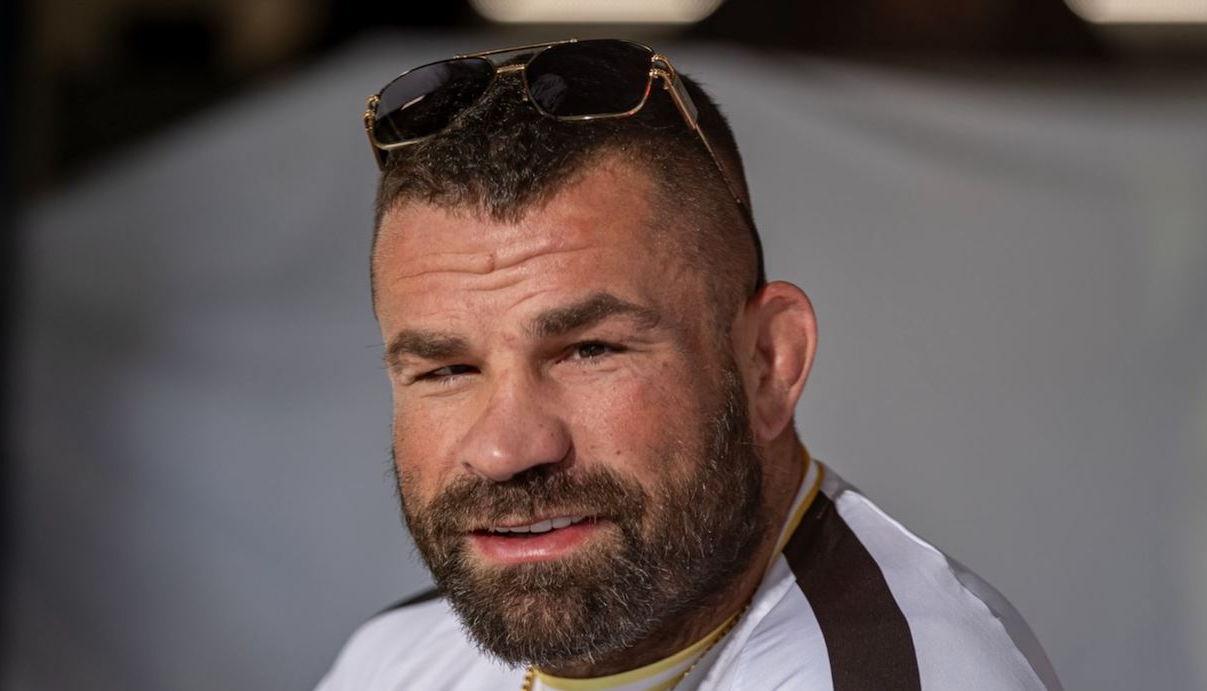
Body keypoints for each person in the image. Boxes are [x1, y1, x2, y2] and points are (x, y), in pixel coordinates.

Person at [317, 38, 1062, 691]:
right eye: (446, 369)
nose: (506, 450)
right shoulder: (392, 659)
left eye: (590, 350)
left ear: (769, 362)